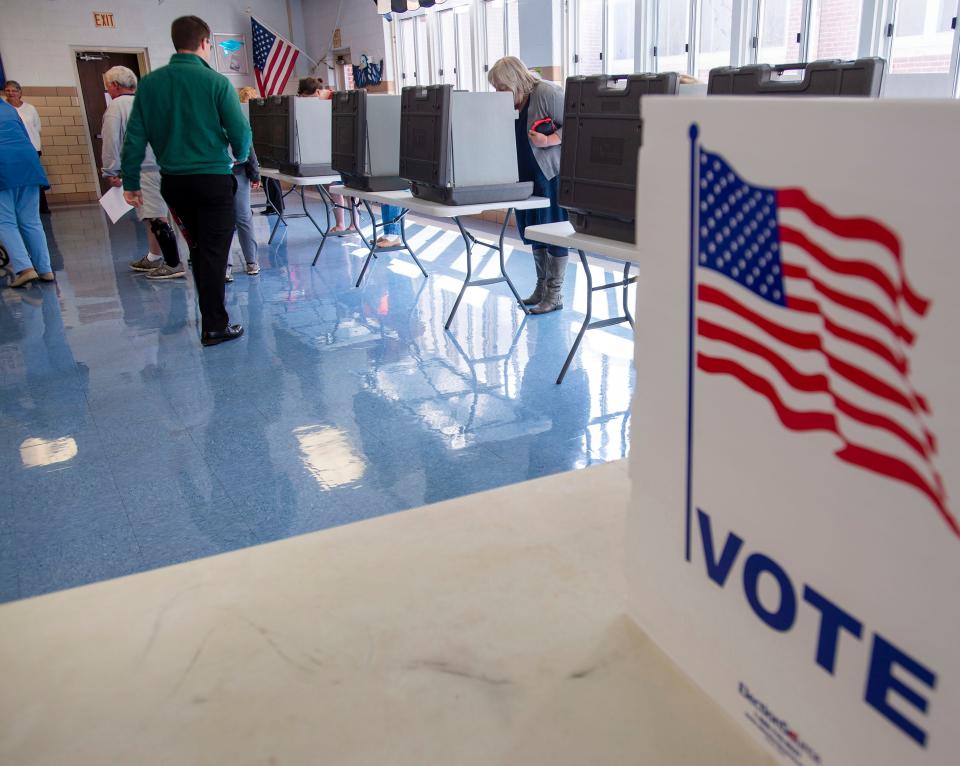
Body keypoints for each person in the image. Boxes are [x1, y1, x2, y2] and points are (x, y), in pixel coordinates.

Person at [121, 15, 251, 347]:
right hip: (213, 180)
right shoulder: (216, 82)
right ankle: (215, 325)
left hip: (175, 183)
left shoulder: (150, 84)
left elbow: (135, 136)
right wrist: (239, 154)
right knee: (214, 252)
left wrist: (131, 181)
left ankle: (210, 315)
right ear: (205, 42)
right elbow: (240, 130)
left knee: (198, 247)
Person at [488, 57, 569, 314]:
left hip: (550, 175)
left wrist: (550, 139)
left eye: (502, 87)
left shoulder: (547, 93)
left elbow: (580, 122)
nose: (498, 93)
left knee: (553, 232)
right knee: (534, 231)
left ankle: (554, 294)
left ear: (516, 81)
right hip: (525, 177)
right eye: (496, 88)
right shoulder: (511, 102)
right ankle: (540, 289)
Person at [100, 66, 184, 279]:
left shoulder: (116, 107)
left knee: (155, 216)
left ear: (115, 86)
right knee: (151, 214)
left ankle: (174, 263)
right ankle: (154, 257)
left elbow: (111, 139)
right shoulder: (151, 102)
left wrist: (111, 170)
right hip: (165, 166)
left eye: (108, 86)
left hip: (143, 168)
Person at [0, 99, 54, 287]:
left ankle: (25, 269)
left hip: (3, 165)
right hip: (28, 163)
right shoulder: (9, 109)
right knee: (31, 220)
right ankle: (45, 269)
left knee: (5, 221)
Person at [297, 76, 354, 236]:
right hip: (328, 149)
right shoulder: (313, 104)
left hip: (345, 148)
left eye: (307, 98)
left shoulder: (337, 98)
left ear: (317, 92)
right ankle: (340, 224)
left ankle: (354, 223)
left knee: (351, 188)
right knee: (334, 188)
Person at [227, 86, 262, 281]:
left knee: (234, 218)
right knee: (238, 218)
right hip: (230, 170)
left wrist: (255, 173)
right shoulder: (235, 117)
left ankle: (241, 263)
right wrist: (255, 173)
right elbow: (248, 147)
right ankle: (245, 263)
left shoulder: (232, 118)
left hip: (227, 170)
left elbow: (249, 147)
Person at [3, 80, 50, 215]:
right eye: (8, 90)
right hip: (10, 151)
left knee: (35, 178)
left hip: (32, 149)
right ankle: (18, 209)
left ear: (20, 92)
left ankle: (42, 208)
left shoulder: (30, 108)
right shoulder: (4, 109)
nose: (11, 93)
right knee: (15, 179)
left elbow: (37, 127)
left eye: (14, 90)